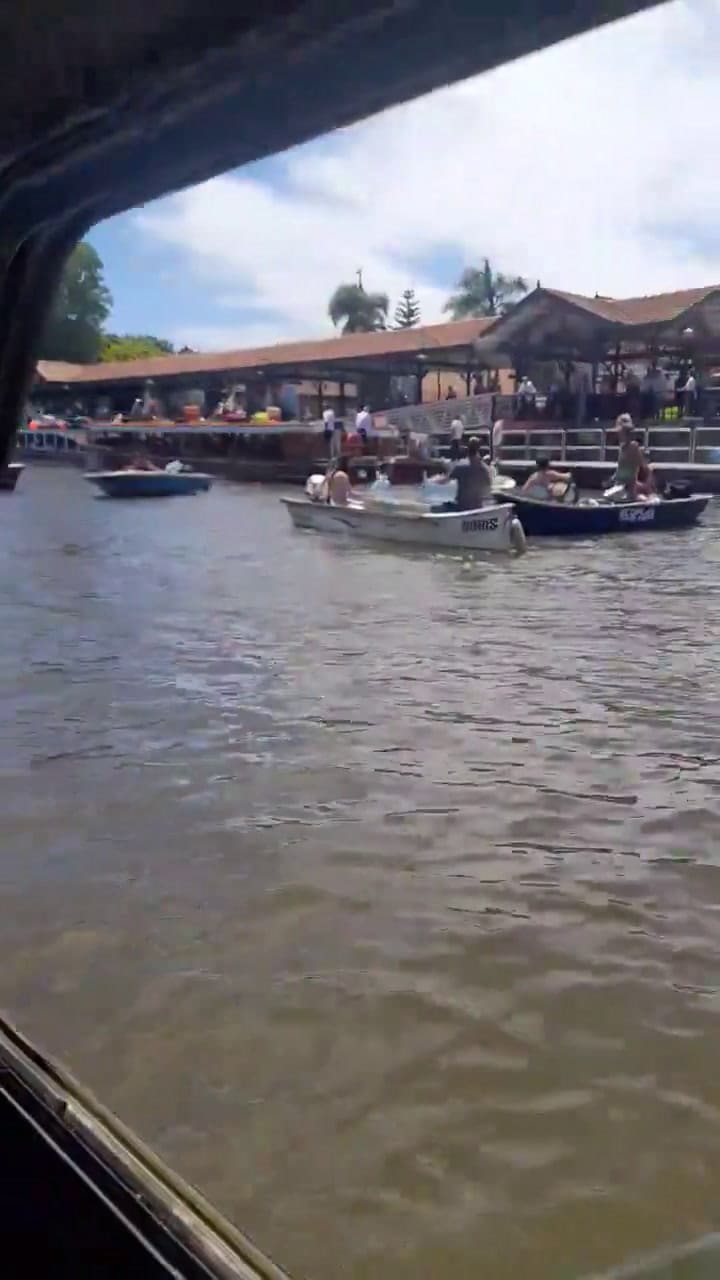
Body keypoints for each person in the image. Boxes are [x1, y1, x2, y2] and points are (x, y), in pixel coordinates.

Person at [436, 436, 493, 511]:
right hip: (477, 507)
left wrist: (435, 480)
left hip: (462, 507)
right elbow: (488, 485)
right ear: (478, 449)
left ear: (467, 449)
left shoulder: (461, 465)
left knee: (443, 505)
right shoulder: (484, 468)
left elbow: (444, 481)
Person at [613, 413, 654, 498]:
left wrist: (646, 487)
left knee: (641, 497)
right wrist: (614, 477)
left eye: (622, 432)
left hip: (629, 489)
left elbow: (644, 468)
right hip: (619, 486)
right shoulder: (622, 447)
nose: (619, 434)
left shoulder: (633, 447)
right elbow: (621, 469)